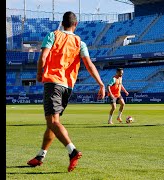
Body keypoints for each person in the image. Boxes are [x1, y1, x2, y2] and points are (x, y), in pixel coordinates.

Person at [27, 11, 105, 172]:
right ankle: (41, 155)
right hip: (67, 86)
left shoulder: (53, 35)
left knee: (54, 122)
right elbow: (89, 65)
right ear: (75, 25)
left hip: (53, 83)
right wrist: (101, 84)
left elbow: (43, 57)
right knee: (53, 123)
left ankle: (72, 151)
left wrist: (39, 74)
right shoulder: (79, 42)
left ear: (62, 23)